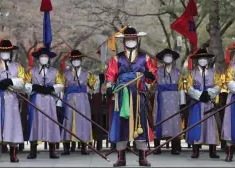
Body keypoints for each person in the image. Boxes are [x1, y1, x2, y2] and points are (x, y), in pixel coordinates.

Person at [106, 26, 157, 167]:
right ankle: (121, 158)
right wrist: (109, 88)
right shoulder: (117, 58)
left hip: (138, 95)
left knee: (140, 124)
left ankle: (143, 157)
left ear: (137, 40)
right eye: (128, 39)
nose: (130, 41)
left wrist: (150, 76)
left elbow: (152, 74)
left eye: (133, 39)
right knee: (122, 125)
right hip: (122, 95)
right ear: (124, 41)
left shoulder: (144, 57)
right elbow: (110, 75)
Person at [25, 47, 64, 159]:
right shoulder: (31, 71)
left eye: (46, 57)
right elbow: (25, 84)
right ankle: (33, 151)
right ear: (38, 58)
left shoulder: (55, 71)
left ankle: (52, 151)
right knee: (35, 122)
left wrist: (52, 88)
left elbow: (61, 84)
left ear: (49, 58)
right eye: (42, 56)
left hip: (50, 100)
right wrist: (34, 87)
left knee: (51, 122)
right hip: (36, 99)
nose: (44, 58)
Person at [184, 48, 221, 159]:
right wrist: (199, 95)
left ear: (208, 60)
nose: (203, 60)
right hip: (196, 103)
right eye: (200, 58)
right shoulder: (192, 73)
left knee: (210, 126)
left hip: (209, 102)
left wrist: (208, 93)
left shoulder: (214, 72)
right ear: (197, 60)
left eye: (205, 58)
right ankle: (195, 150)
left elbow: (219, 85)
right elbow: (189, 88)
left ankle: (212, 150)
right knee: (196, 124)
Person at [60, 49, 97, 155]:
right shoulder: (65, 74)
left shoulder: (87, 73)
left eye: (77, 59)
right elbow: (61, 88)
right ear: (71, 60)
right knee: (68, 121)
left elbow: (94, 86)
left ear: (80, 60)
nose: (76, 61)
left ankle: (84, 147)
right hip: (69, 99)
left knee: (83, 121)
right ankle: (66, 147)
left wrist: (93, 86)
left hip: (83, 100)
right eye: (74, 59)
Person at [153, 48, 185, 155]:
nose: (168, 58)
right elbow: (151, 84)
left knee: (174, 121)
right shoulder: (157, 71)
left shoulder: (178, 72)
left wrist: (182, 103)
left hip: (174, 99)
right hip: (161, 98)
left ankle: (175, 147)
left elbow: (181, 88)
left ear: (173, 59)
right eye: (166, 56)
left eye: (170, 56)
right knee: (159, 119)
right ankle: (157, 146)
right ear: (162, 59)